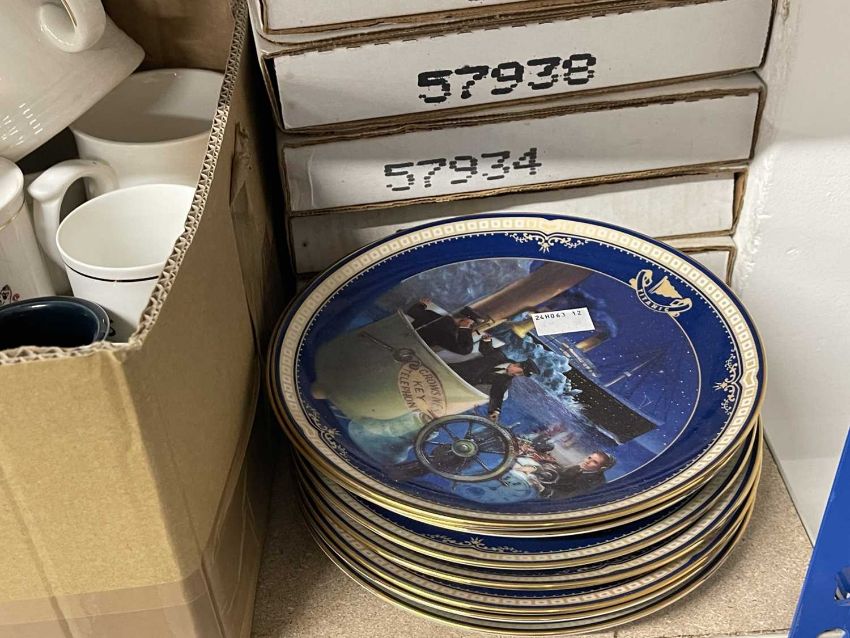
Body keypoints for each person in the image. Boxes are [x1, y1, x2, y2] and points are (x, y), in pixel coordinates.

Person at [448, 334, 539, 420]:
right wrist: (486, 340)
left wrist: (495, 411)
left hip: (461, 384)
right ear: (517, 364)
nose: (516, 375)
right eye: (519, 372)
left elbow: (498, 394)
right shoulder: (498, 356)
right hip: (455, 369)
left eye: (520, 375)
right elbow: (486, 350)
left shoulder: (505, 380)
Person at [405, 297, 476, 355]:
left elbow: (414, 311)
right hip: (409, 343)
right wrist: (464, 328)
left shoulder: (446, 328)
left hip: (408, 341)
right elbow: (465, 350)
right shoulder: (446, 326)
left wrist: (422, 304)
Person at [542, 451, 616, 499]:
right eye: (589, 458)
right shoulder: (579, 468)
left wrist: (545, 490)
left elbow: (568, 498)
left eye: (595, 462)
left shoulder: (594, 483)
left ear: (602, 469)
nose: (587, 461)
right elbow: (562, 473)